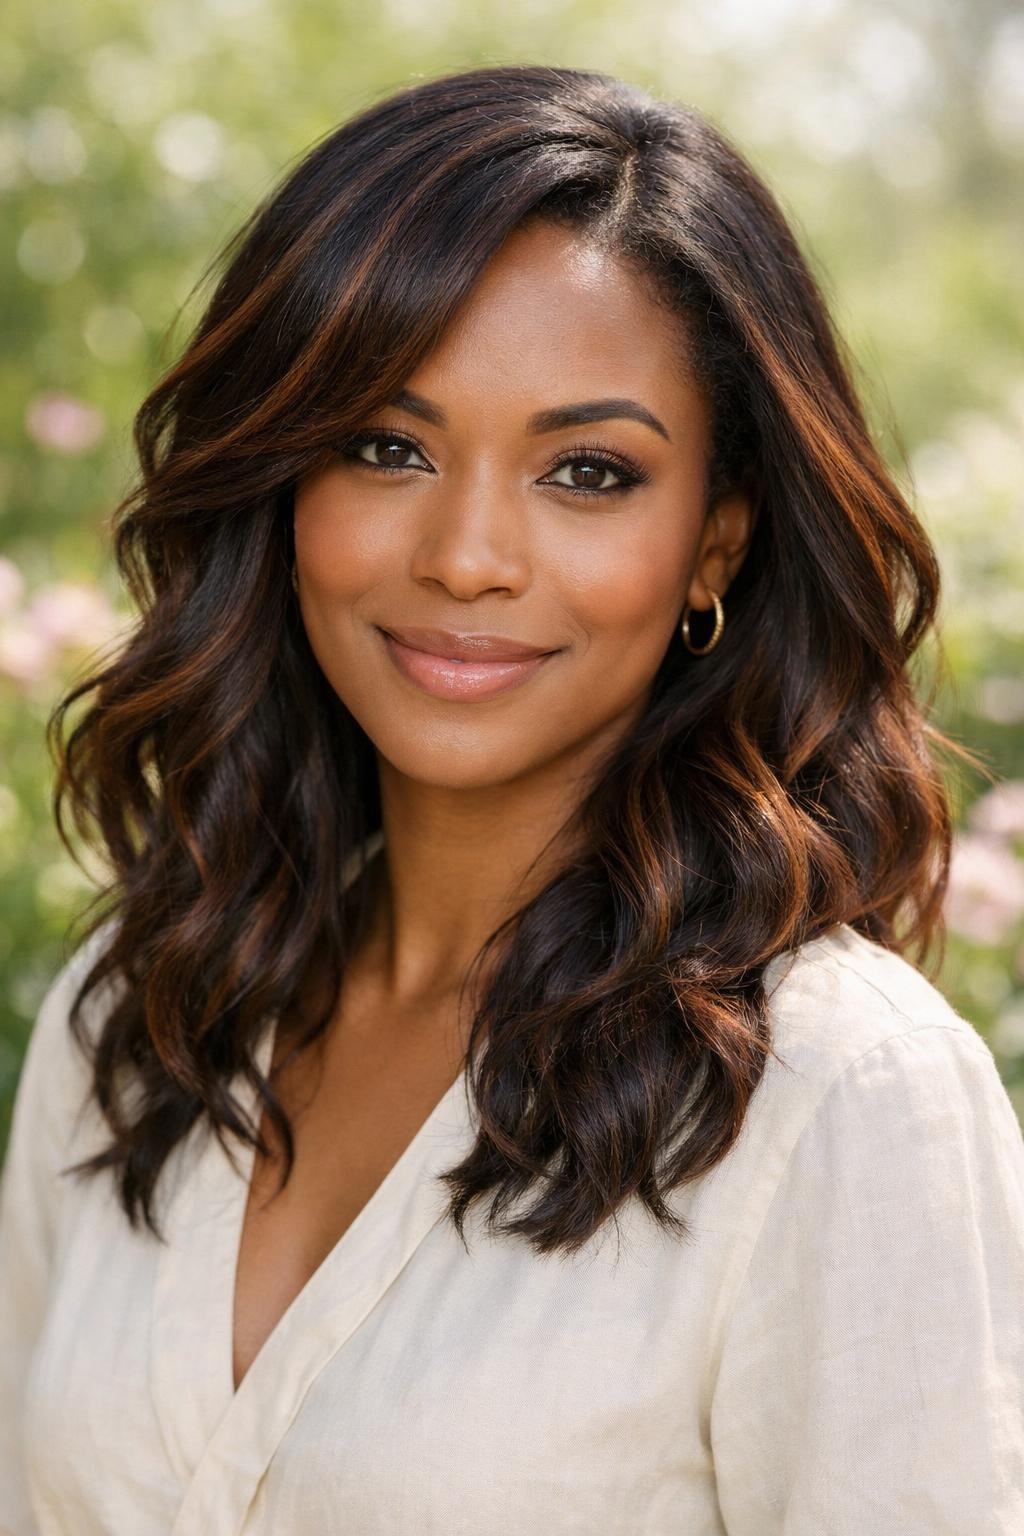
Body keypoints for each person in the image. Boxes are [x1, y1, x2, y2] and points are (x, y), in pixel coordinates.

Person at [1, 62, 1022, 1536]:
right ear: (284, 487)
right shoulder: (138, 1011)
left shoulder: (840, 1101)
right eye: (387, 447)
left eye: (589, 472)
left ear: (716, 546)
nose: (469, 555)